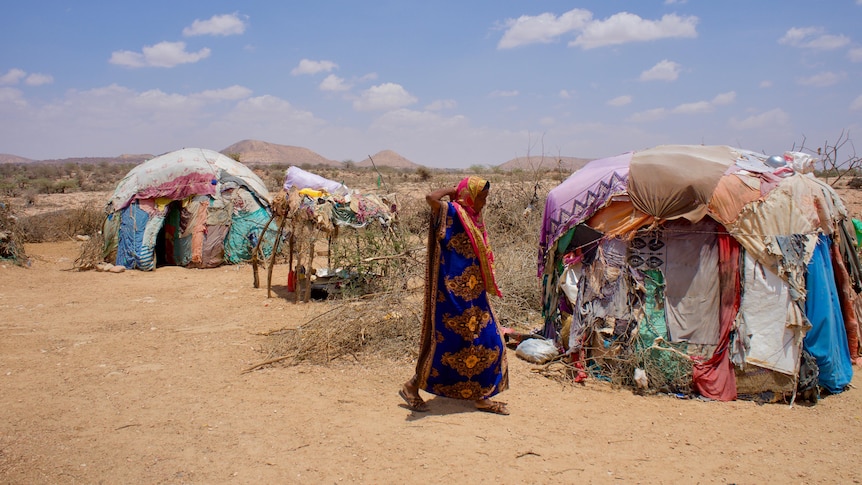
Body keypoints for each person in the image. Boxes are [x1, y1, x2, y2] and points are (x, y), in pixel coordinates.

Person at [399, 176, 509, 415]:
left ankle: (482, 395)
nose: (484, 203)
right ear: (469, 195)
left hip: (474, 292)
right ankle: (411, 387)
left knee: (490, 341)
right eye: (481, 196)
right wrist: (455, 190)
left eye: (486, 197)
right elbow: (431, 198)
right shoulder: (451, 211)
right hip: (450, 294)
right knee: (448, 343)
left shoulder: (474, 218)